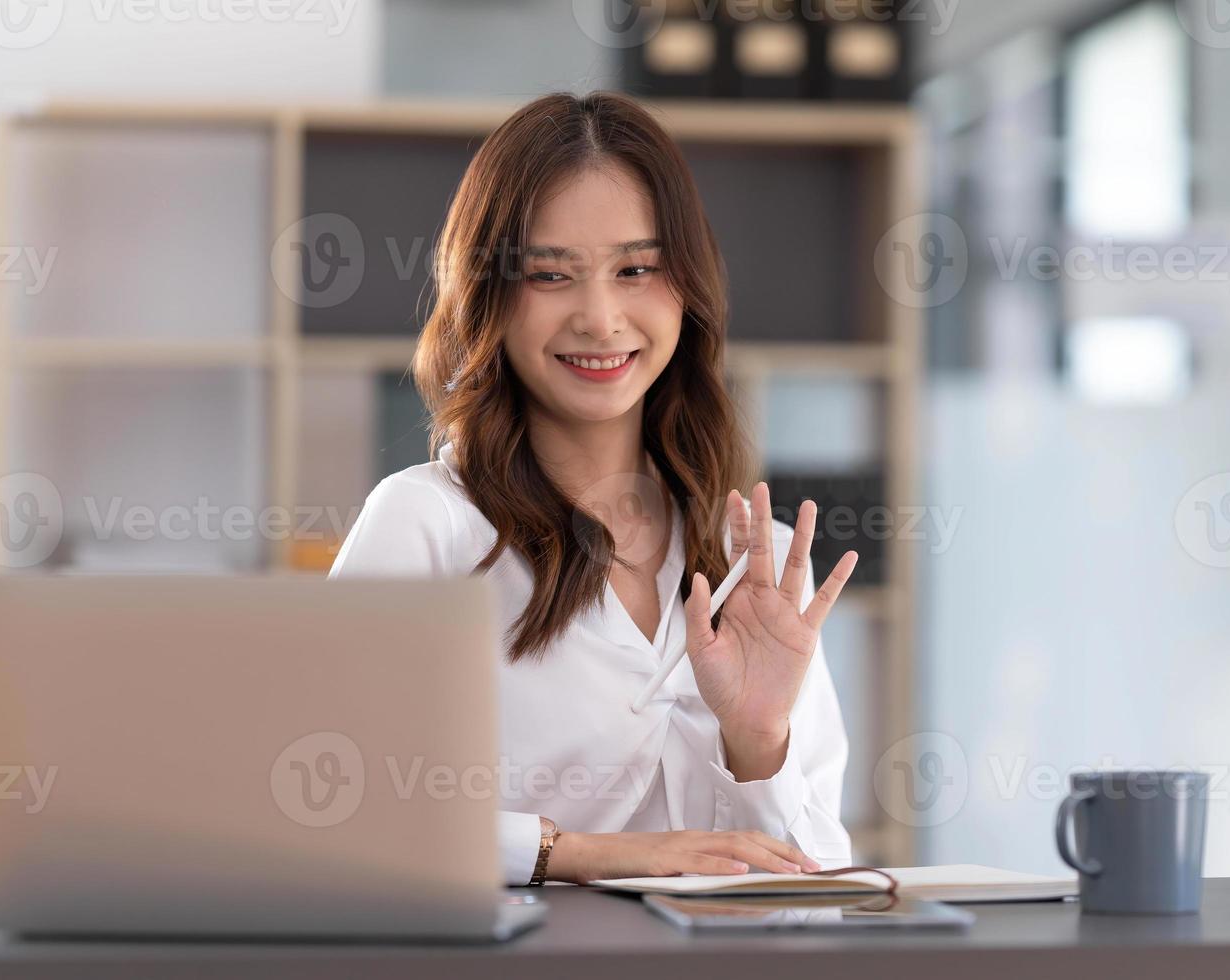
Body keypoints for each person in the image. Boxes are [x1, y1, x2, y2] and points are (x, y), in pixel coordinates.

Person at [329, 91, 858, 886]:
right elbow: (330, 808)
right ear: (489, 295)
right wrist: (574, 854)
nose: (601, 318)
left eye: (636, 269)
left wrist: (756, 742)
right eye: (550, 274)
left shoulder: (762, 559)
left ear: (687, 286)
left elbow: (808, 885)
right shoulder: (425, 526)